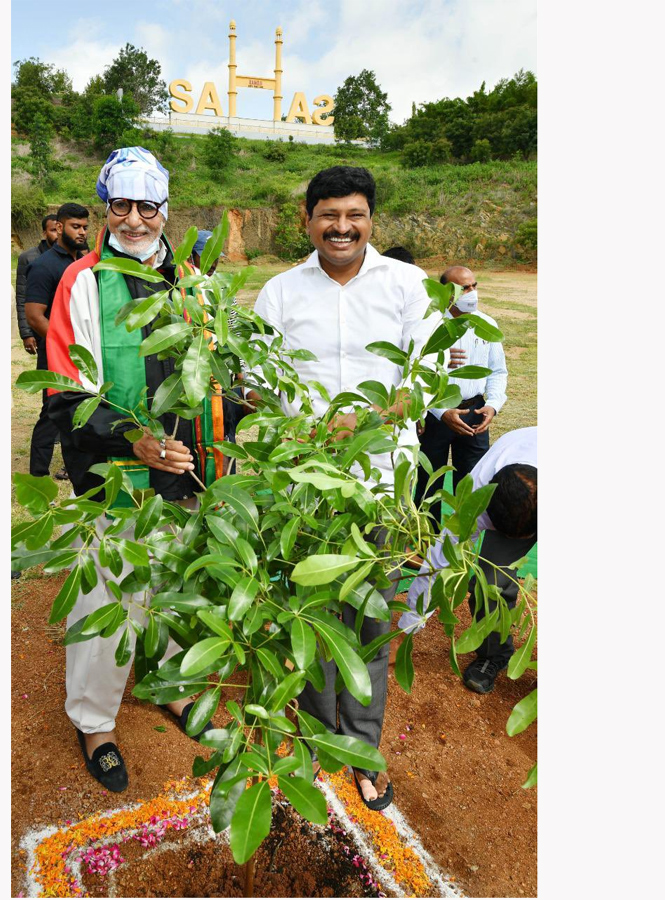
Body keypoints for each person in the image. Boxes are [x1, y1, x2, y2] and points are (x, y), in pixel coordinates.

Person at [246, 165, 439, 810]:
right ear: (308, 219)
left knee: (370, 620)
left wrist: (358, 423)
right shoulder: (277, 293)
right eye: (328, 215)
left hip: (384, 483)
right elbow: (255, 383)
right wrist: (299, 426)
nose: (341, 227)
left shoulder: (409, 286)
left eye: (354, 214)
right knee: (311, 614)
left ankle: (361, 742)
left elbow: (427, 378)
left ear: (371, 220)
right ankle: (322, 731)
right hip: (303, 486)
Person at [41, 147, 231, 792]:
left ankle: (175, 689)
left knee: (179, 583)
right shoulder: (84, 281)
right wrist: (134, 440)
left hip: (187, 469)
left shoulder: (194, 283)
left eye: (146, 207)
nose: (134, 219)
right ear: (106, 208)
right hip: (112, 471)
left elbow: (211, 375)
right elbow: (66, 388)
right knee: (107, 592)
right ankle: (94, 721)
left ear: (165, 211)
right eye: (120, 205)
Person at [401, 426, 536, 694]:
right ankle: (493, 655)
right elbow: (437, 564)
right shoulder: (476, 495)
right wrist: (406, 633)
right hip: (515, 504)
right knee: (490, 585)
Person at [414, 265, 508, 531]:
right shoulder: (429, 327)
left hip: (475, 413)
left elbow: (497, 372)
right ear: (446, 293)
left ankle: (462, 543)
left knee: (473, 480)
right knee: (428, 481)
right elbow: (417, 376)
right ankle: (426, 541)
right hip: (436, 413)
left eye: (474, 286)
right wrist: (440, 412)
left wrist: (492, 405)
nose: (471, 293)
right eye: (463, 288)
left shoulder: (487, 326)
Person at [24, 204, 91, 480]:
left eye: (85, 227)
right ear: (60, 227)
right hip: (56, 353)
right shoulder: (43, 265)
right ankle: (38, 476)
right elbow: (34, 315)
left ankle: (75, 471)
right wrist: (63, 345)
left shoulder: (85, 263)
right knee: (52, 414)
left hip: (85, 352)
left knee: (82, 412)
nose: (82, 232)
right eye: (76, 226)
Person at [16, 214, 60, 356]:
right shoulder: (28, 258)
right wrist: (26, 334)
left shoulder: (72, 256)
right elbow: (22, 296)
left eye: (59, 229)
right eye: (53, 230)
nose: (57, 234)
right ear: (44, 233)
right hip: (39, 326)